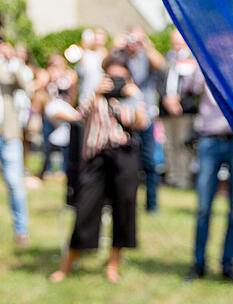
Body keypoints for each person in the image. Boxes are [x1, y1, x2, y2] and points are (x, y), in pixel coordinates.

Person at [50, 51, 148, 283]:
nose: (114, 82)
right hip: (97, 156)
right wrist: (96, 94)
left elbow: (142, 123)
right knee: (85, 207)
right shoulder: (96, 92)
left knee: (124, 208)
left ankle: (114, 263)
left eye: (120, 78)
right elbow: (79, 116)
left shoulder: (133, 95)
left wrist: (133, 97)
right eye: (111, 77)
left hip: (124, 155)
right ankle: (68, 262)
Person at [183, 67, 233, 283]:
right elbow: (187, 89)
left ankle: (227, 265)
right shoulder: (204, 64)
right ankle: (198, 264)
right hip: (209, 140)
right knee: (203, 207)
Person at [122, 25, 165, 212]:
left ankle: (151, 205)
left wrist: (145, 44)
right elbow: (106, 63)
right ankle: (125, 201)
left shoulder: (146, 55)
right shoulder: (121, 55)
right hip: (125, 114)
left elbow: (161, 65)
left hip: (146, 114)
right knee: (125, 160)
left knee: (149, 161)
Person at [0, 39, 33, 246]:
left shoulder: (9, 69)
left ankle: (21, 231)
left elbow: (25, 84)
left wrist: (13, 59)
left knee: (14, 183)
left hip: (8, 134)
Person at [159, 30, 200, 188]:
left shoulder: (191, 59)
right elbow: (160, 81)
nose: (177, 44)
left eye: (180, 40)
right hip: (166, 109)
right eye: (174, 41)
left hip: (185, 109)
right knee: (169, 145)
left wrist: (178, 101)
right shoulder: (166, 58)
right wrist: (166, 100)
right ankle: (171, 177)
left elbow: (193, 86)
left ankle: (183, 178)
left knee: (183, 144)